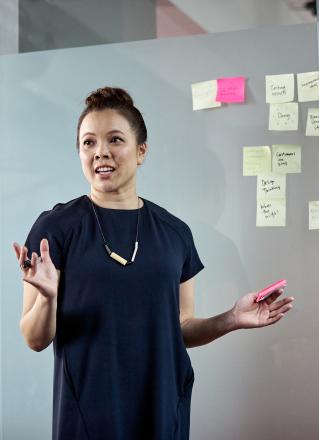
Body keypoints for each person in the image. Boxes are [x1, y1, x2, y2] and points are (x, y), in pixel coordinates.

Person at [12, 87, 294, 440]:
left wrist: (230, 319)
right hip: (87, 413)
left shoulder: (175, 233)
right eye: (88, 143)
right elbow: (34, 339)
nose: (101, 152)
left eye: (115, 139)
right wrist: (50, 298)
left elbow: (180, 327)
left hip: (161, 408)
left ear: (141, 151)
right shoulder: (55, 229)